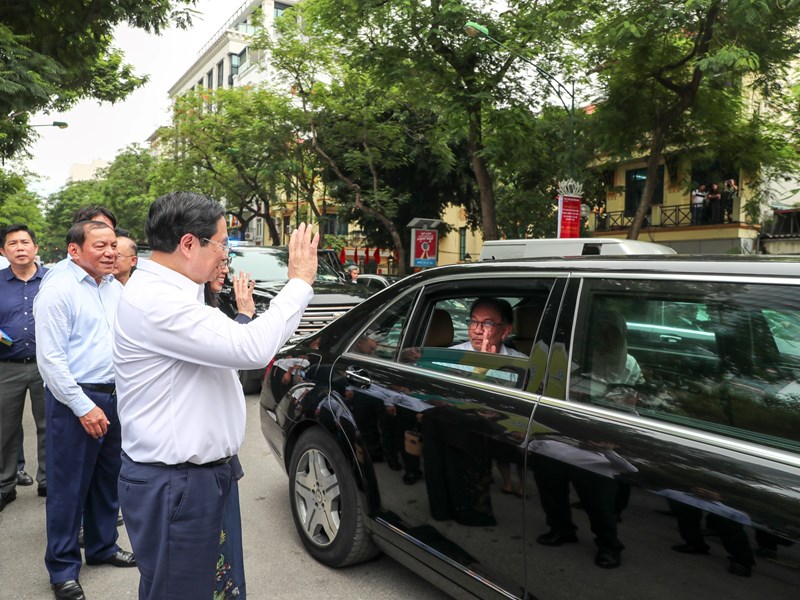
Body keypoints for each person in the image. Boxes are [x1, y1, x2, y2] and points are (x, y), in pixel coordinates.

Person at [113, 191, 318, 600]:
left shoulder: (175, 292)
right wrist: (298, 283)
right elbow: (251, 348)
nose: (225, 254)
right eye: (221, 243)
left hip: (196, 476)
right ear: (189, 243)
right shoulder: (159, 301)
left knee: (212, 587)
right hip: (178, 481)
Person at [34, 220, 135, 600]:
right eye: (100, 246)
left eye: (113, 245)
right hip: (74, 401)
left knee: (107, 481)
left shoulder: (114, 289)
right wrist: (82, 406)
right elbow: (51, 361)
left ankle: (102, 547)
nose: (110, 252)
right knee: (68, 490)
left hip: (114, 396)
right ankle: (62, 569)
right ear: (74, 250)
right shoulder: (59, 290)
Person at [205, 260, 254, 600]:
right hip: (199, 460)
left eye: (226, 262)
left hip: (219, 454)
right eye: (217, 261)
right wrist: (247, 315)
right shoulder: (187, 311)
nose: (224, 269)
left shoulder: (209, 305)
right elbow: (239, 352)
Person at [0, 225, 48, 511]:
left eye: (25, 242)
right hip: (7, 366)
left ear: (35, 248)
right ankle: (5, 484)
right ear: (3, 251)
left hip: (46, 365)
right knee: (5, 429)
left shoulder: (51, 281)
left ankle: (49, 481)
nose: (20, 247)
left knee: (49, 426)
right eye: (13, 243)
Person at [451, 298, 526, 357]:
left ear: (506, 330)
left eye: (487, 323)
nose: (477, 331)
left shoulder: (520, 362)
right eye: (474, 322)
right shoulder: (451, 357)